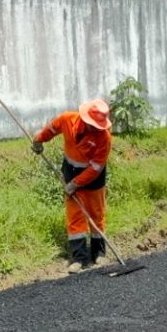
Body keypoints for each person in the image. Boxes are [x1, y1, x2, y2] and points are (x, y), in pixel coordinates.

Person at [32, 98, 112, 273]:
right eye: (93, 125)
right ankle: (79, 258)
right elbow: (51, 129)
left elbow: (96, 167)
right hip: (71, 173)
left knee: (96, 214)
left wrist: (76, 184)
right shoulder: (67, 119)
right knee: (75, 216)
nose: (95, 128)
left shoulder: (104, 137)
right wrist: (38, 140)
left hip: (93, 179)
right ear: (84, 119)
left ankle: (99, 253)